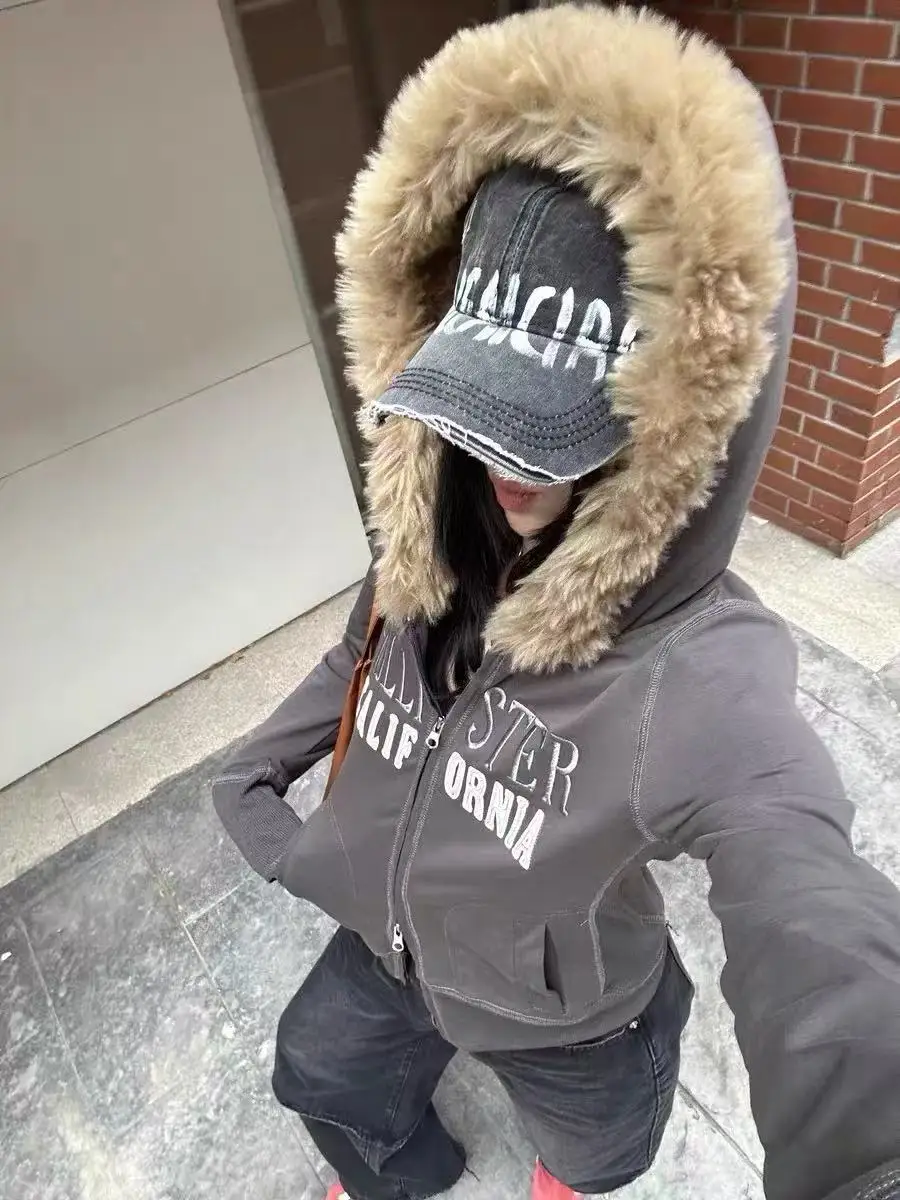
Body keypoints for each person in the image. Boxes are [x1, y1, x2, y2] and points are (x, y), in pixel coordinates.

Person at [213, 6, 900, 1200]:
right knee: (312, 1070)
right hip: (393, 950)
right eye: (483, 410)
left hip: (573, 1027)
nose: (510, 470)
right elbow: (356, 668)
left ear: (676, 415)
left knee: (597, 1155)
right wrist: (258, 796)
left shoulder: (702, 672)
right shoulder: (432, 549)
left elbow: (804, 885)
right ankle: (398, 1174)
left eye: (561, 426)